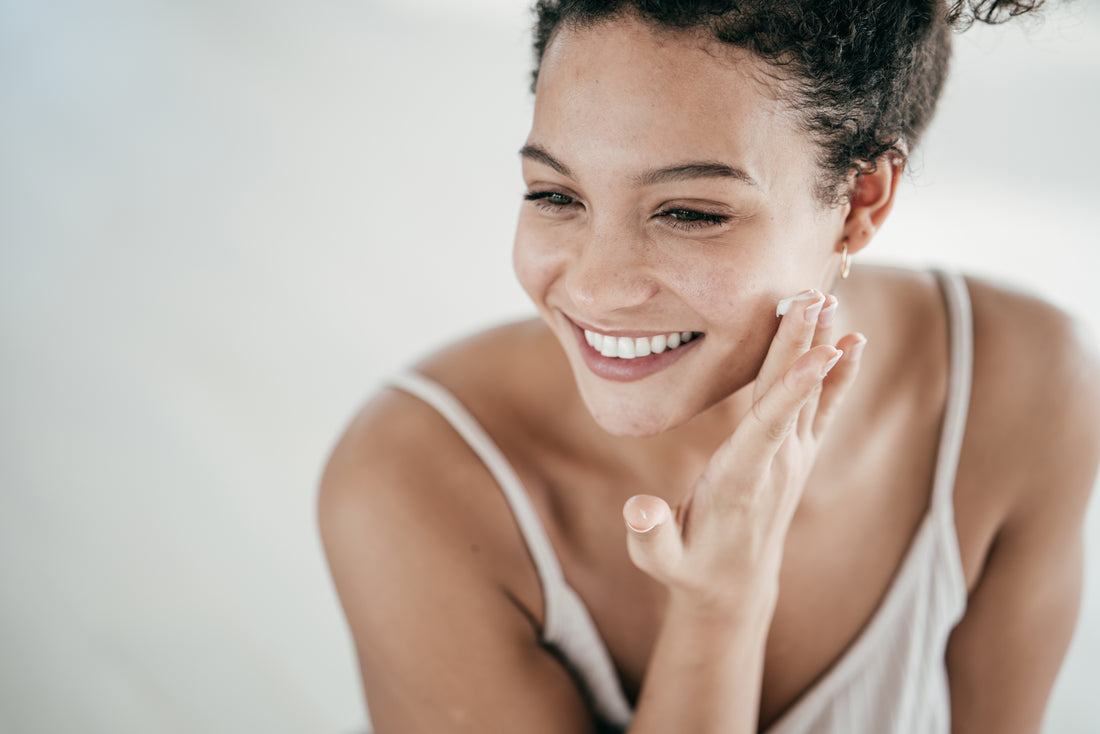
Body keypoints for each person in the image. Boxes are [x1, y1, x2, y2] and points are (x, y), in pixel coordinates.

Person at [319, 1, 1100, 731]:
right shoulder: (414, 481)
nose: (595, 287)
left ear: (862, 200)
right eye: (556, 195)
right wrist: (720, 604)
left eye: (690, 212)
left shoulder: (1027, 391)